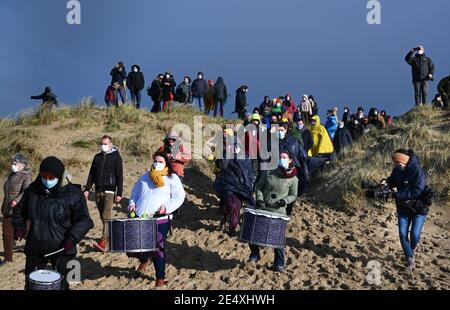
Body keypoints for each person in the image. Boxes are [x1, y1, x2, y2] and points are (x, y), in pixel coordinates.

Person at [13, 156, 93, 290]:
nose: (47, 180)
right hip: (36, 247)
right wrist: (19, 226)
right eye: (44, 176)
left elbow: (84, 220)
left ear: (60, 176)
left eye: (51, 177)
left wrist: (72, 238)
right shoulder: (32, 190)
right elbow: (18, 212)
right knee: (31, 284)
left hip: (62, 247)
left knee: (62, 284)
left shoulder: (73, 194)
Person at [127, 152, 186, 287]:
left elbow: (179, 196)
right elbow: (135, 193)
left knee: (158, 249)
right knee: (138, 246)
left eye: (160, 161)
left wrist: (167, 207)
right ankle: (144, 260)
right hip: (140, 216)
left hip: (160, 218)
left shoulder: (172, 178)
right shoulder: (145, 177)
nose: (156, 163)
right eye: (155, 161)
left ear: (166, 163)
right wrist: (131, 203)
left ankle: (160, 278)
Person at [250, 150, 298, 272]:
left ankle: (279, 264)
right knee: (253, 234)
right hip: (263, 207)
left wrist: (285, 201)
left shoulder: (294, 178)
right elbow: (259, 187)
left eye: (284, 157)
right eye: (280, 157)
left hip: (279, 211)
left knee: (278, 239)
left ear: (290, 160)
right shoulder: (268, 172)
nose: (282, 159)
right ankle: (254, 255)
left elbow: (293, 195)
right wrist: (259, 199)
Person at [386, 149, 429, 272]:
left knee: (415, 235)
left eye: (395, 162)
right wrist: (386, 183)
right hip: (403, 207)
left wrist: (397, 195)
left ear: (402, 162)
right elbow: (392, 180)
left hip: (419, 207)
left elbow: (417, 190)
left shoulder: (418, 171)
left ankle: (411, 250)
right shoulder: (396, 170)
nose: (394, 164)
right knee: (402, 233)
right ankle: (409, 259)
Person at [84, 135, 124, 252]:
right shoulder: (97, 157)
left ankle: (103, 241)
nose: (103, 146)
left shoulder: (117, 158)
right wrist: (87, 189)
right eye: (102, 143)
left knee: (106, 215)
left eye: (105, 144)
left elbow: (119, 176)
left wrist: (119, 193)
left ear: (111, 144)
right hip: (98, 190)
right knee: (102, 216)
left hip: (110, 190)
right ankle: (111, 235)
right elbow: (91, 174)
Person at [214, 131, 255, 236]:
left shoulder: (246, 158)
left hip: (242, 188)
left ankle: (232, 228)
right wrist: (227, 153)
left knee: (236, 209)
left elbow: (251, 173)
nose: (234, 148)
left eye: (236, 146)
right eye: (232, 146)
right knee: (231, 205)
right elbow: (222, 166)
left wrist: (251, 186)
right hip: (228, 186)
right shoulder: (225, 156)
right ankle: (226, 219)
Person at [1, 154, 32, 266]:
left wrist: (17, 200)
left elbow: (27, 190)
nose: (12, 165)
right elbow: (7, 193)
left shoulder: (26, 176)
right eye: (12, 163)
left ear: (22, 165)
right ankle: (8, 258)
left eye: (15, 163)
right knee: (6, 234)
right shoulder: (10, 176)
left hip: (21, 210)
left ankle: (34, 249)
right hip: (7, 210)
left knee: (27, 232)